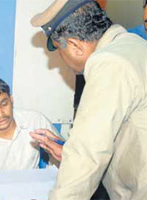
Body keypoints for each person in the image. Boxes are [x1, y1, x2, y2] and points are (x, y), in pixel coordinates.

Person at [30, 0, 147, 199]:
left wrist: (76, 159)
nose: (61, 59)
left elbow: (87, 155)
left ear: (75, 45)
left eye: (59, 49)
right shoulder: (135, 45)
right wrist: (69, 154)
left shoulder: (109, 63)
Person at [0, 75, 59, 177]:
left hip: (35, 188)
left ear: (11, 100)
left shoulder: (35, 121)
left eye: (4, 104)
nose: (0, 114)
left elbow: (65, 155)